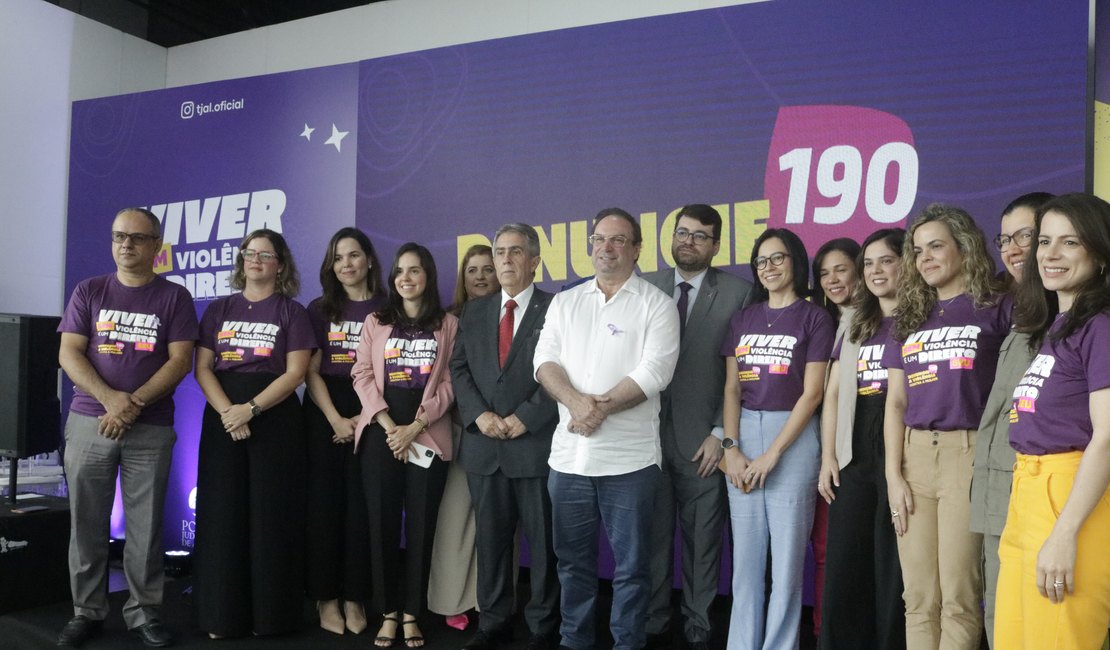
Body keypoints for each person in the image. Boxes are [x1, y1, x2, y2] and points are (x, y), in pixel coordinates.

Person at [534, 208, 679, 650]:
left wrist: (600, 408)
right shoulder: (566, 301)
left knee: (633, 569)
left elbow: (655, 372)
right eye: (600, 239)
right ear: (590, 245)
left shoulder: (658, 304)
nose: (607, 247)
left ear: (637, 249)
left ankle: (626, 644)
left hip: (630, 463)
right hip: (569, 461)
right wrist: (578, 402)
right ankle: (574, 641)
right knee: (572, 564)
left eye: (619, 240)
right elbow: (543, 362)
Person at [56, 208, 198, 649]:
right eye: (119, 236)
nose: (126, 245)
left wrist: (131, 404)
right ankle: (87, 612)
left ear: (157, 246)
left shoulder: (174, 297)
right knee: (87, 524)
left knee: (145, 526)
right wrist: (110, 400)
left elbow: (180, 361)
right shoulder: (90, 290)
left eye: (137, 238)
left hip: (150, 426)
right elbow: (69, 353)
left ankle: (143, 612)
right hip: (89, 420)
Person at [882, 204, 1010, 650]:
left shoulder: (996, 308)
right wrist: (893, 474)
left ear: (965, 247)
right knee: (917, 597)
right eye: (918, 251)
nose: (925, 258)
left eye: (936, 246)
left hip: (969, 454)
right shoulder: (907, 318)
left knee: (959, 596)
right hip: (914, 457)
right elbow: (896, 402)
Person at [995, 192, 1110, 649]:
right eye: (1045, 241)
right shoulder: (1057, 327)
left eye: (1070, 243)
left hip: (1071, 499)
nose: (1051, 255)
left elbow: (1107, 438)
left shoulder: (1101, 326)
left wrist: (1065, 533)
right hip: (1027, 492)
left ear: (1100, 255)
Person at [193, 229, 316, 638]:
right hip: (223, 417)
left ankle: (272, 618)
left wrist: (252, 408)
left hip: (275, 420)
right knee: (222, 517)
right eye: (250, 252)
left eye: (266, 254)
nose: (256, 259)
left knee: (271, 518)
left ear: (280, 264)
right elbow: (203, 368)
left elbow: (296, 372)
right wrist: (230, 411)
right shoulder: (218, 309)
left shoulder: (292, 312)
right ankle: (221, 617)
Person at [641, 204, 751, 649]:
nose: (688, 241)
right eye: (682, 233)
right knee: (650, 540)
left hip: (703, 441)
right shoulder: (644, 287)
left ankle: (699, 625)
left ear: (716, 244)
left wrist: (718, 433)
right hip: (644, 439)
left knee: (703, 542)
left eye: (699, 235)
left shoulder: (739, 293)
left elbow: (743, 375)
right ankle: (651, 621)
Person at [720, 228, 834, 650]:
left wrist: (773, 454)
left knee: (786, 563)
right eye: (761, 262)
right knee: (746, 562)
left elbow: (814, 392)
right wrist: (731, 449)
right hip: (745, 432)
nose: (769, 268)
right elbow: (732, 389)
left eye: (777, 259)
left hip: (795, 437)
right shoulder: (743, 319)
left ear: (796, 262)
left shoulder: (815, 317)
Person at [452, 225, 561, 650]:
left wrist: (526, 418)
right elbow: (458, 369)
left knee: (545, 545)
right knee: (491, 543)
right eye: (501, 252)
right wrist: (478, 415)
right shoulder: (475, 311)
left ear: (534, 260)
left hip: (533, 447)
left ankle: (542, 626)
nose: (507, 260)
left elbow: (565, 371)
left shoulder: (557, 309)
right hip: (485, 448)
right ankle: (493, 621)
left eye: (517, 252)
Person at [351, 242, 458, 649]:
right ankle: (389, 613)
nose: (406, 278)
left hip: (427, 434)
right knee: (381, 526)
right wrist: (388, 425)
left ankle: (413, 612)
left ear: (427, 277)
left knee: (421, 526)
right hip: (381, 434)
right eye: (400, 271)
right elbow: (361, 375)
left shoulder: (447, 324)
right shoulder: (376, 322)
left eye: (414, 271)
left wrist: (413, 428)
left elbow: (449, 382)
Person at [968, 191, 1054, 648]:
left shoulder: (1077, 318)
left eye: (1027, 235)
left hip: (1047, 499)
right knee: (999, 615)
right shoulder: (1022, 316)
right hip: (999, 495)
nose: (1013, 249)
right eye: (1005, 238)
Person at [818, 229, 907, 649]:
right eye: (868, 263)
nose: (875, 271)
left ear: (906, 263)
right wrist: (828, 456)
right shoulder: (856, 320)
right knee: (845, 565)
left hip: (903, 445)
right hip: (853, 445)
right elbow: (833, 393)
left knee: (893, 567)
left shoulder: (922, 317)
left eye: (886, 260)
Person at [304, 227, 385, 635]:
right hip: (325, 410)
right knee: (324, 509)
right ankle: (326, 597)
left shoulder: (390, 307)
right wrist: (336, 419)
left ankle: (356, 596)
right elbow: (310, 371)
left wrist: (366, 417)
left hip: (375, 411)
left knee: (362, 510)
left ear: (369, 259)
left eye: (354, 256)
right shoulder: (319, 310)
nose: (346, 265)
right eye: (338, 258)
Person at [428, 244, 498, 630]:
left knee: (497, 524)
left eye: (488, 268)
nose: (481, 276)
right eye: (473, 270)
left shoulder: (513, 316)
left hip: (505, 433)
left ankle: (491, 600)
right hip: (457, 430)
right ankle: (452, 599)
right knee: (455, 521)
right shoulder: (448, 321)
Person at [809, 236, 861, 636]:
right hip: (820, 451)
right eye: (824, 273)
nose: (832, 280)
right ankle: (823, 630)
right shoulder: (823, 321)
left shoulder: (877, 319)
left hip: (856, 456)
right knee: (824, 550)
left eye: (841, 269)